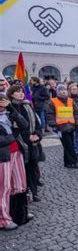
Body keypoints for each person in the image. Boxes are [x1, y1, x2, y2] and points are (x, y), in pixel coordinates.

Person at [8, 85, 44, 202]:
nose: (21, 94)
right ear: (11, 94)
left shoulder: (28, 106)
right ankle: (24, 192)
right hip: (20, 143)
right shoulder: (10, 108)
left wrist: (37, 134)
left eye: (21, 92)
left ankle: (34, 191)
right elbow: (15, 127)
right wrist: (27, 136)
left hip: (32, 142)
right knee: (22, 169)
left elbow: (37, 123)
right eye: (17, 92)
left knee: (33, 168)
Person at [0, 93, 29, 230]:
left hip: (16, 152)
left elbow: (24, 124)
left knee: (19, 184)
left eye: (3, 101)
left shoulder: (8, 113)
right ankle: (3, 218)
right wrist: (13, 135)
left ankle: (18, 213)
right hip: (3, 155)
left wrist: (11, 108)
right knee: (3, 187)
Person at [46, 84, 78, 169]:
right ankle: (74, 161)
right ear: (58, 91)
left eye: (64, 90)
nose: (63, 91)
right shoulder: (53, 101)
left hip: (71, 126)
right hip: (60, 127)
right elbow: (50, 114)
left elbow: (76, 112)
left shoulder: (70, 100)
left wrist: (77, 123)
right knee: (69, 145)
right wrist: (53, 125)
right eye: (61, 90)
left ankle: (67, 162)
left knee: (69, 145)